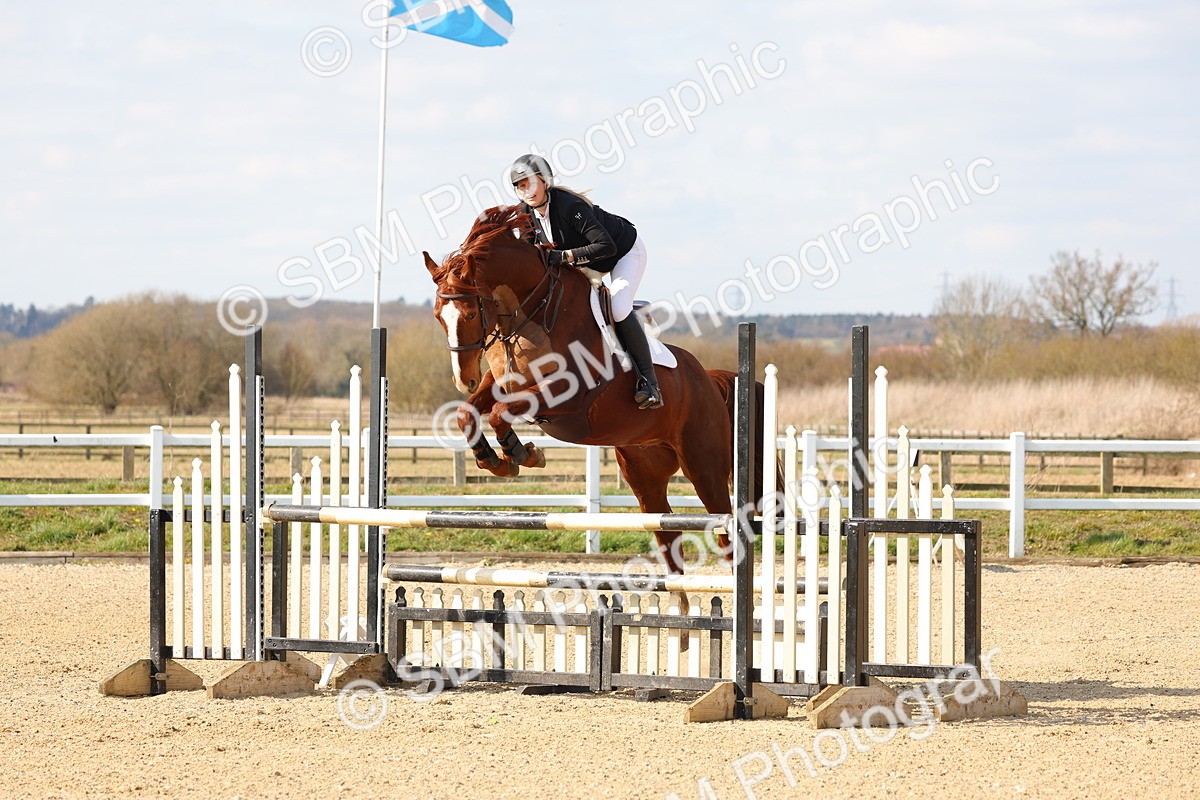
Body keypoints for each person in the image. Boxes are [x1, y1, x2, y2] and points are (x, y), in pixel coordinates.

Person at [509, 153, 664, 409]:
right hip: (587, 262)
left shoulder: (569, 207)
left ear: (545, 182)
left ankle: (649, 384)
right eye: (521, 186)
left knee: (619, 307)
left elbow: (606, 246)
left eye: (532, 183)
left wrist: (565, 256)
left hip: (624, 252)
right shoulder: (525, 214)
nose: (528, 191)